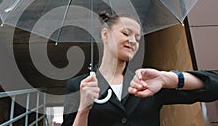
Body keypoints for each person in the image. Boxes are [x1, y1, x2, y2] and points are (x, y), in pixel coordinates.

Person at [61, 12, 218, 126]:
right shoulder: (79, 85)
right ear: (105, 34)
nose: (133, 41)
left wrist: (167, 79)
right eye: (126, 33)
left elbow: (214, 86)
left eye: (137, 38)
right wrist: (83, 110)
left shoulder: (147, 82)